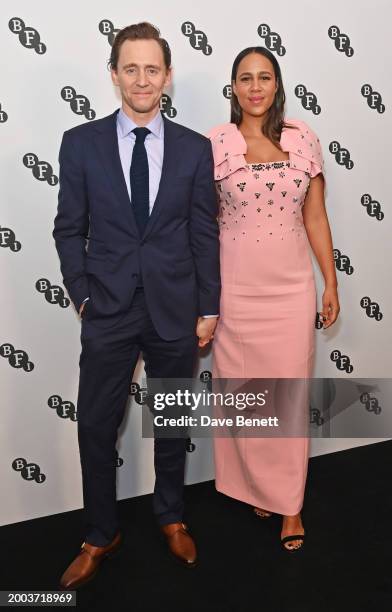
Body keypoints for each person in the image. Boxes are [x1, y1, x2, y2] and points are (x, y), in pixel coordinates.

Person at [53, 22, 220, 589]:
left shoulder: (197, 149)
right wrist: (81, 294)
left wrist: (210, 305)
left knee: (172, 419)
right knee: (96, 425)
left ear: (167, 76)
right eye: (131, 68)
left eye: (153, 69)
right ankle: (101, 531)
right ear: (114, 74)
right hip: (108, 308)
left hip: (176, 306)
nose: (142, 79)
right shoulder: (80, 143)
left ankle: (171, 514)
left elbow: (204, 232)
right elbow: (68, 228)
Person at [207, 47, 339, 552]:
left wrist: (331, 281)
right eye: (245, 78)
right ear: (234, 87)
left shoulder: (302, 138)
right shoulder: (215, 143)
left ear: (277, 84)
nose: (255, 87)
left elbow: (316, 218)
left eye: (265, 77)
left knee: (286, 397)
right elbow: (202, 223)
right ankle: (257, 486)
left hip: (290, 292)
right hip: (236, 293)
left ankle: (291, 504)